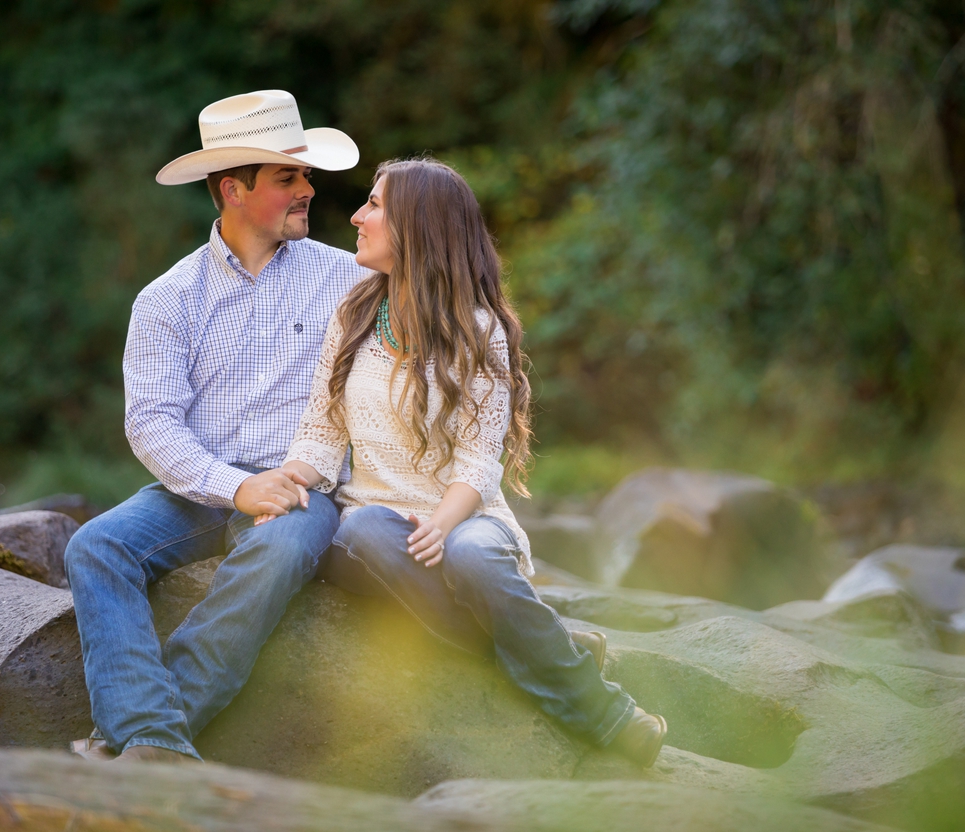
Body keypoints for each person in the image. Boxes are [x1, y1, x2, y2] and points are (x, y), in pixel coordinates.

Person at [267, 158, 669, 767]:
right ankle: (559, 659)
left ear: (418, 228)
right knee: (368, 529)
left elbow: (480, 462)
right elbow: (323, 431)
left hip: (461, 511)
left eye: (374, 205)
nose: (356, 215)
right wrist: (283, 483)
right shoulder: (353, 317)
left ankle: (601, 709)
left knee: (473, 553)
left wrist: (444, 523)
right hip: (375, 519)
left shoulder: (481, 331)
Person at [63, 90, 366, 763]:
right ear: (233, 189)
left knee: (279, 551)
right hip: (198, 487)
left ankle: (140, 739)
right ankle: (155, 742)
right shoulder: (168, 299)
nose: (308, 190)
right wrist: (234, 488)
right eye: (288, 177)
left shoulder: (349, 280)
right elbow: (151, 424)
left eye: (305, 175)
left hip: (303, 487)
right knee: (95, 546)